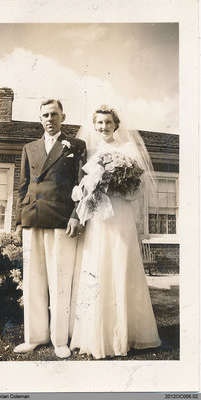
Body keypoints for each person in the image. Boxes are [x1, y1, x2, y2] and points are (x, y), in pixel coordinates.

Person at [70, 105, 161, 359]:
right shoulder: (89, 151)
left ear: (115, 125)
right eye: (99, 123)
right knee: (98, 264)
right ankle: (93, 335)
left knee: (121, 263)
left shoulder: (127, 151)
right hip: (99, 215)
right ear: (94, 125)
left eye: (107, 123)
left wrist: (118, 182)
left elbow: (135, 190)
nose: (103, 127)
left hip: (120, 213)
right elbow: (84, 186)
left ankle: (125, 335)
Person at [13, 99, 87, 358]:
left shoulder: (76, 146)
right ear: (40, 118)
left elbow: (83, 186)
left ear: (63, 116)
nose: (50, 118)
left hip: (61, 219)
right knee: (33, 280)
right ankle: (34, 336)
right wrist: (18, 220)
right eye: (45, 114)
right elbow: (22, 186)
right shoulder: (29, 147)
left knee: (60, 280)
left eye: (54, 114)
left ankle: (59, 340)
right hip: (32, 217)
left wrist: (76, 216)